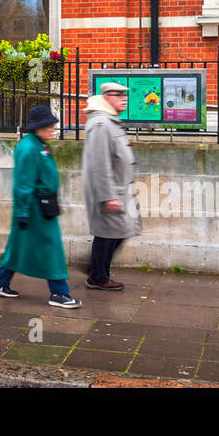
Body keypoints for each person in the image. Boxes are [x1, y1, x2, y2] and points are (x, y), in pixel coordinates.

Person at [0, 104, 81, 308]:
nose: (52, 129)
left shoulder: (39, 144)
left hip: (42, 206)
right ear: (37, 127)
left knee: (19, 248)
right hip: (35, 209)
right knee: (51, 248)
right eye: (49, 126)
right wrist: (22, 213)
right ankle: (59, 292)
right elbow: (23, 183)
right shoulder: (29, 148)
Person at [82, 82, 139, 290]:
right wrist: (108, 196)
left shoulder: (109, 121)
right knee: (109, 234)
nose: (124, 98)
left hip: (119, 190)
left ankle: (97, 271)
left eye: (125, 95)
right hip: (110, 192)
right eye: (119, 95)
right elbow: (99, 163)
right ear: (106, 97)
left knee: (115, 233)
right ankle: (97, 275)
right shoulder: (100, 124)